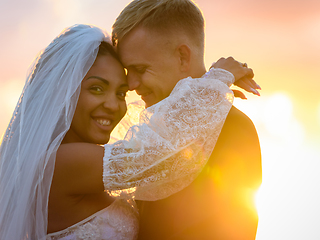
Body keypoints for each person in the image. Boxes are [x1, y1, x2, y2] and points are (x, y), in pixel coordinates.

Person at [0, 24, 255, 240]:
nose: (113, 105)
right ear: (63, 93)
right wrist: (215, 80)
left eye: (121, 93)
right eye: (97, 88)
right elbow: (152, 155)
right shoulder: (61, 162)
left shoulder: (71, 160)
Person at [111, 0, 262, 239]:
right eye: (129, 72)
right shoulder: (154, 127)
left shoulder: (232, 127)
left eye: (140, 69)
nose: (131, 85)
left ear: (183, 57)